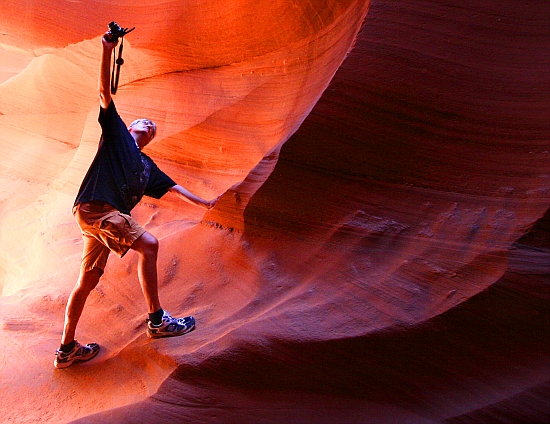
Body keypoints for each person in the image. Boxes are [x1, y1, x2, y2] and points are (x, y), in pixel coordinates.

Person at [54, 30, 218, 369]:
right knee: (150, 244)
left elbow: (174, 188)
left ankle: (66, 349)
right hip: (98, 209)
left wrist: (204, 202)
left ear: (150, 140)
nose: (148, 125)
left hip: (96, 221)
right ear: (129, 128)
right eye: (142, 122)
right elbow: (103, 91)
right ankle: (157, 321)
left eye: (153, 127)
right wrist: (106, 49)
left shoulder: (146, 166)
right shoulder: (116, 137)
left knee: (87, 281)